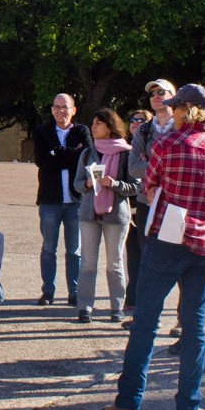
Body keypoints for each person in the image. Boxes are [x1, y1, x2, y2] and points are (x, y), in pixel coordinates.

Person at [103, 84, 205, 410]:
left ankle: (128, 402)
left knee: (145, 322)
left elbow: (149, 186)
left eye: (175, 107)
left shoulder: (166, 144)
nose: (170, 112)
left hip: (167, 239)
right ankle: (188, 405)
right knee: (195, 328)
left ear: (186, 109)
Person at [73, 108, 137, 323]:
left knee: (114, 263)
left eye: (99, 123)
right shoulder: (87, 153)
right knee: (88, 263)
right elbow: (77, 184)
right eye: (93, 122)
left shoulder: (126, 153)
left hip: (116, 216)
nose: (94, 126)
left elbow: (136, 186)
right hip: (89, 214)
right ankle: (85, 307)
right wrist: (87, 183)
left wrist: (115, 183)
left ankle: (117, 307)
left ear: (111, 126)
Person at [126, 79, 176, 324]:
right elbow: (134, 167)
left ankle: (180, 319)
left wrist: (153, 166)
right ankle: (145, 317)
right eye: (152, 93)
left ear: (173, 97)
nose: (156, 96)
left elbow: (183, 166)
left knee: (177, 259)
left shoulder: (183, 128)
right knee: (148, 259)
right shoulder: (144, 130)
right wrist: (164, 166)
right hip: (147, 204)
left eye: (161, 92)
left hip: (176, 205)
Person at [33, 93, 91, 306]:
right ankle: (48, 291)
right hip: (50, 201)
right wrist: (70, 155)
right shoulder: (42, 131)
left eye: (65, 107)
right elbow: (42, 161)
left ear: (73, 110)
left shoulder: (82, 131)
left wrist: (57, 154)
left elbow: (85, 158)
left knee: (74, 250)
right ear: (51, 110)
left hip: (76, 202)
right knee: (49, 249)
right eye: (56, 107)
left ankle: (74, 292)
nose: (60, 111)